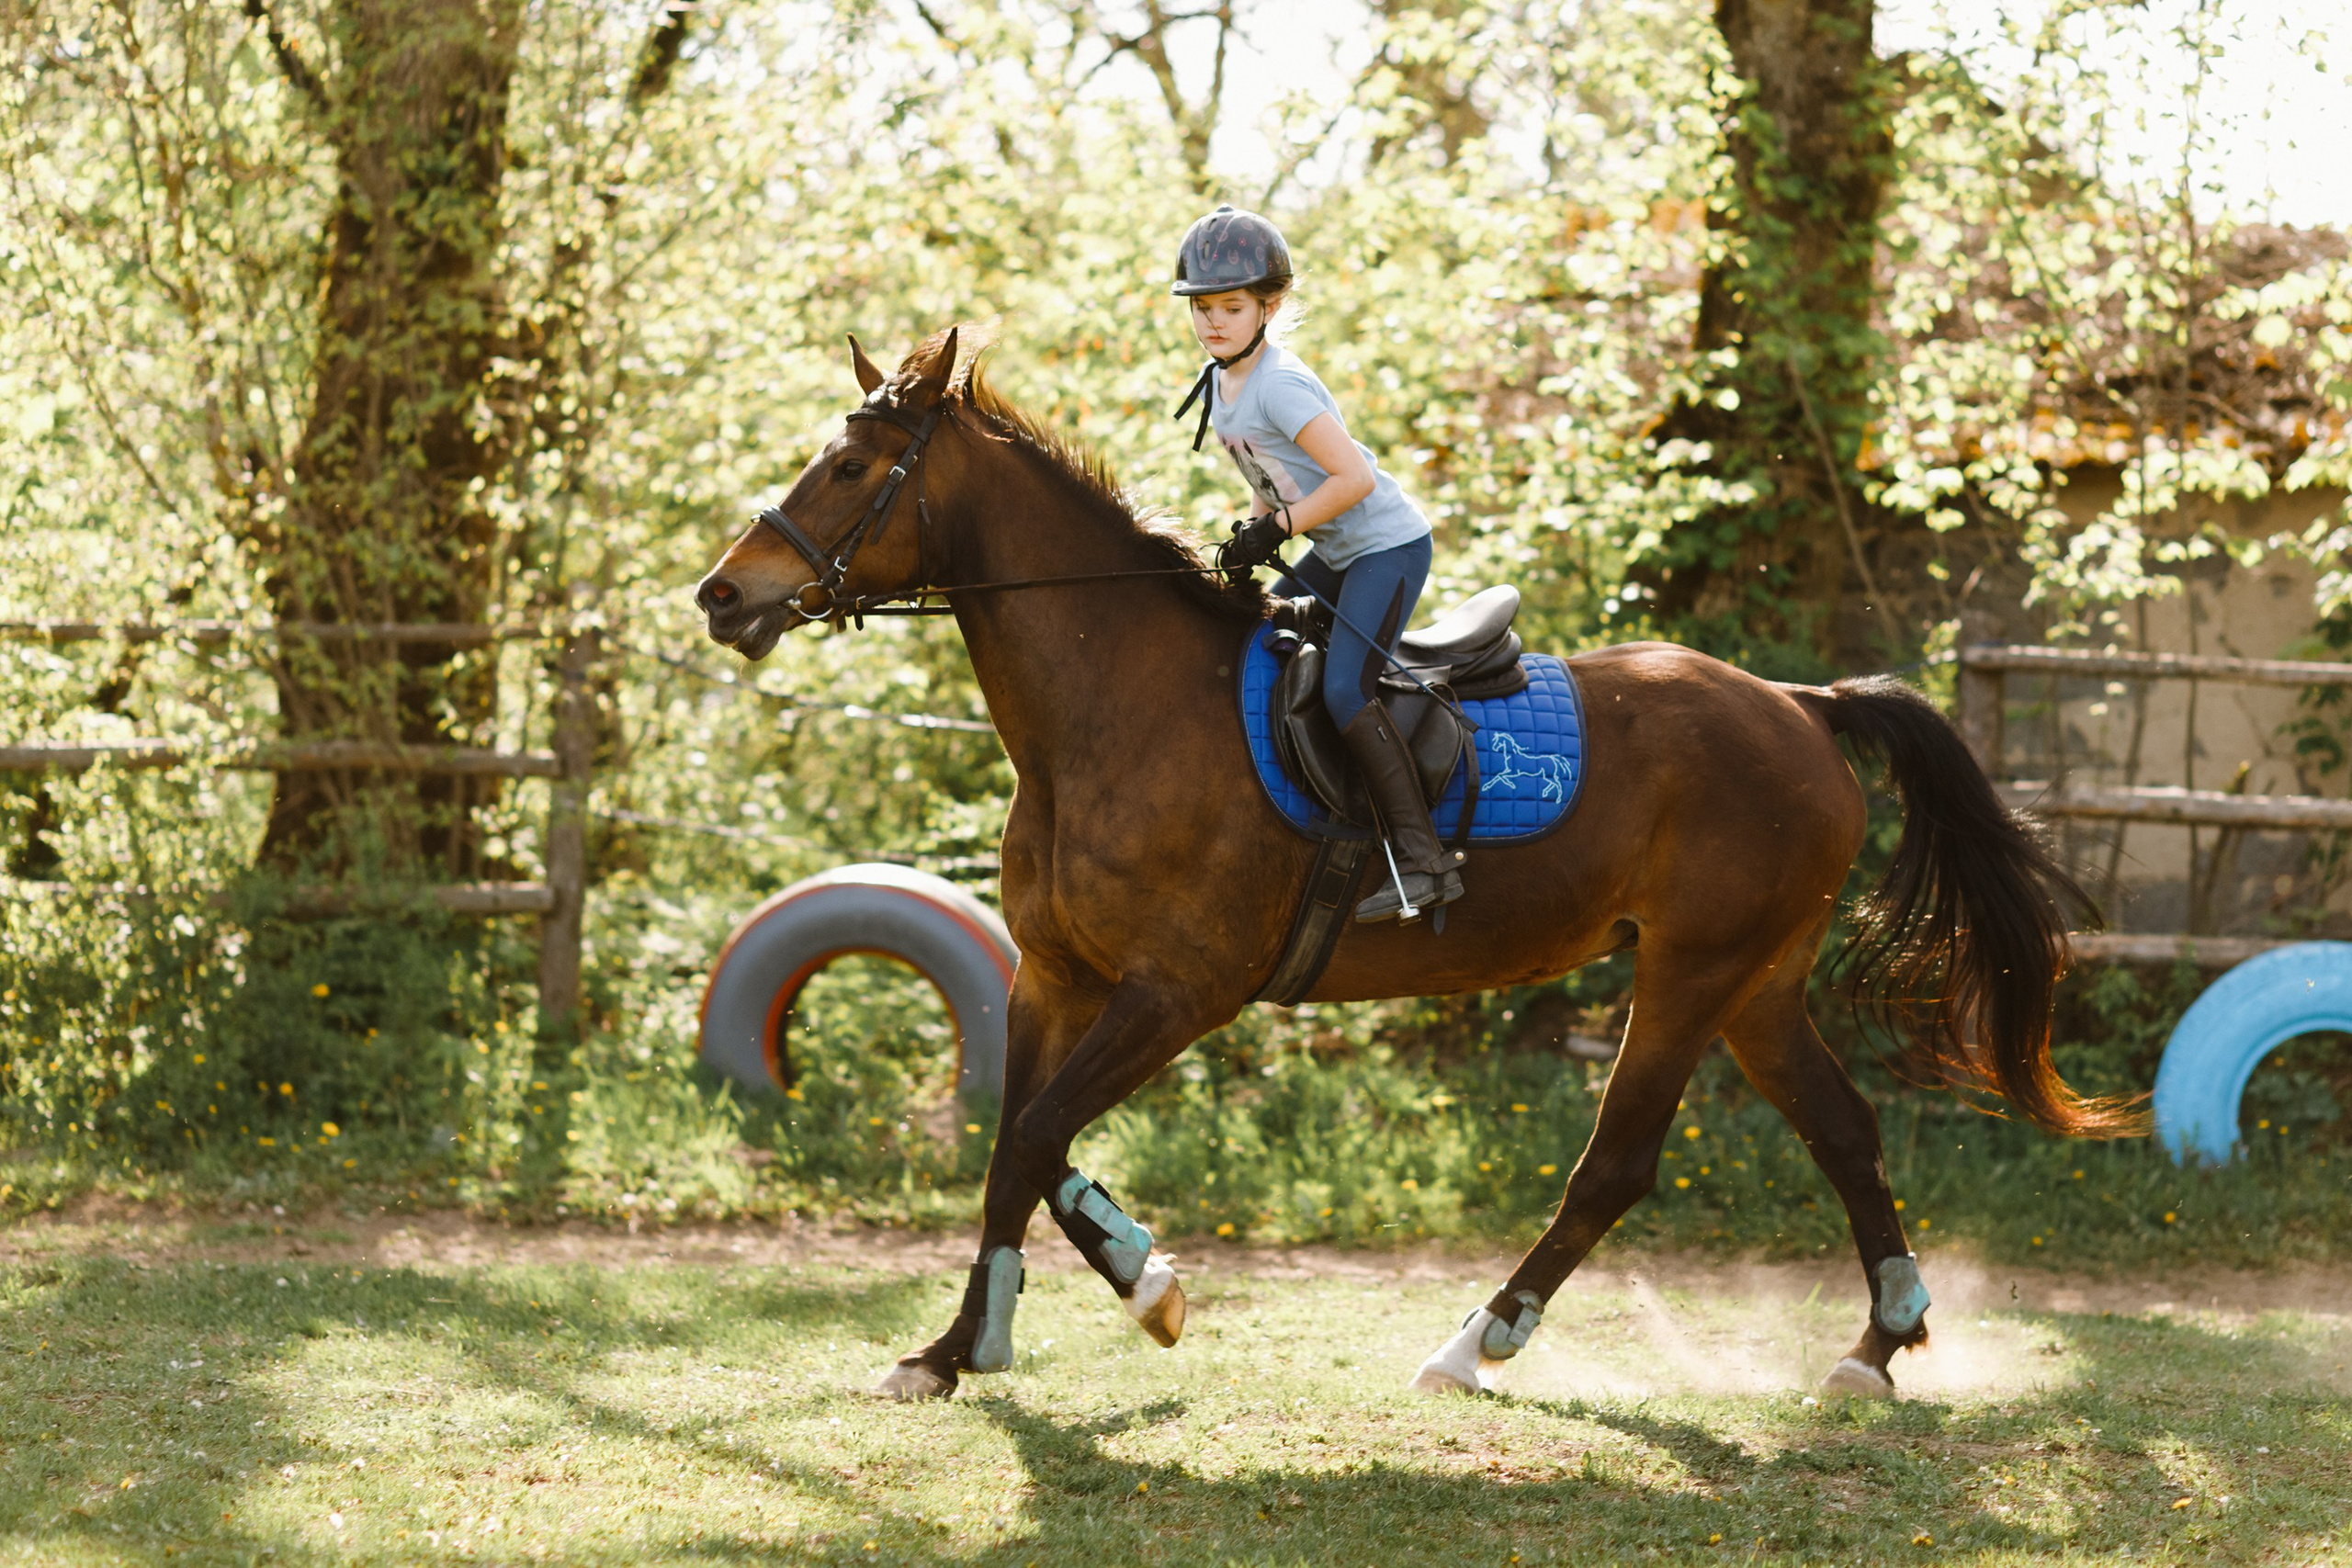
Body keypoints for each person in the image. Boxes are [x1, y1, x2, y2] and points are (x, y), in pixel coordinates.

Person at [1170, 204, 1463, 922]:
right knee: (1250, 641)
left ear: (1269, 307)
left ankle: (1423, 862)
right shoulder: (1221, 379)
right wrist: (1255, 538)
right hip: (1331, 546)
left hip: (1385, 548)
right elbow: (1284, 483)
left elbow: (1355, 481)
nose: (1212, 322)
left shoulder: (1280, 383)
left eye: (1231, 307)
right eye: (1202, 308)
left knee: (1343, 690)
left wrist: (1276, 529)